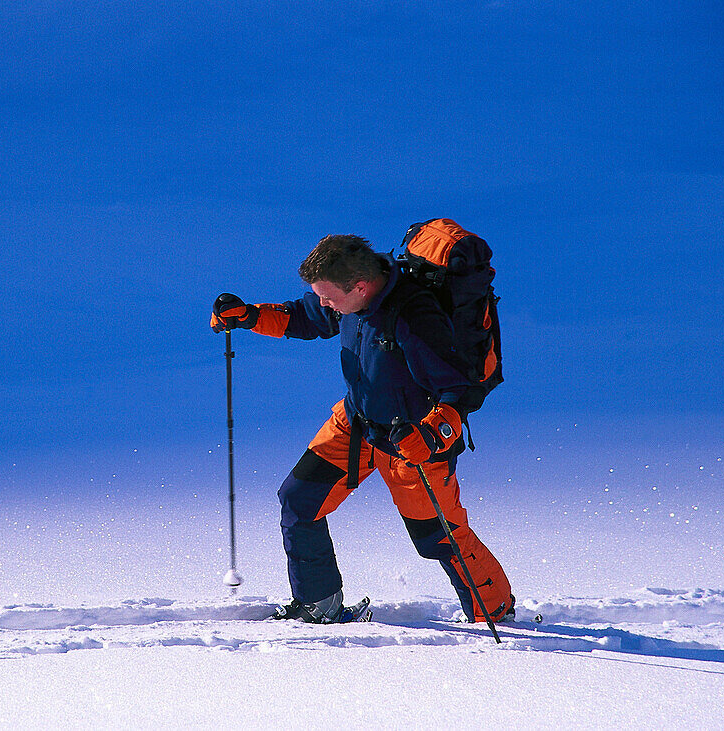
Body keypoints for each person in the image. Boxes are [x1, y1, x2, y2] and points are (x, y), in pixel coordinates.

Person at [211, 234, 514, 624]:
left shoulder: (415, 317)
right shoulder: (351, 297)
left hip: (411, 444)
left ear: (360, 286)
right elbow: (305, 316)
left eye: (328, 296)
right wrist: (250, 316)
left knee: (438, 538)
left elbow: (459, 389)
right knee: (299, 500)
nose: (324, 303)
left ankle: (494, 610)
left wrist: (432, 433)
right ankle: (319, 603)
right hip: (355, 423)